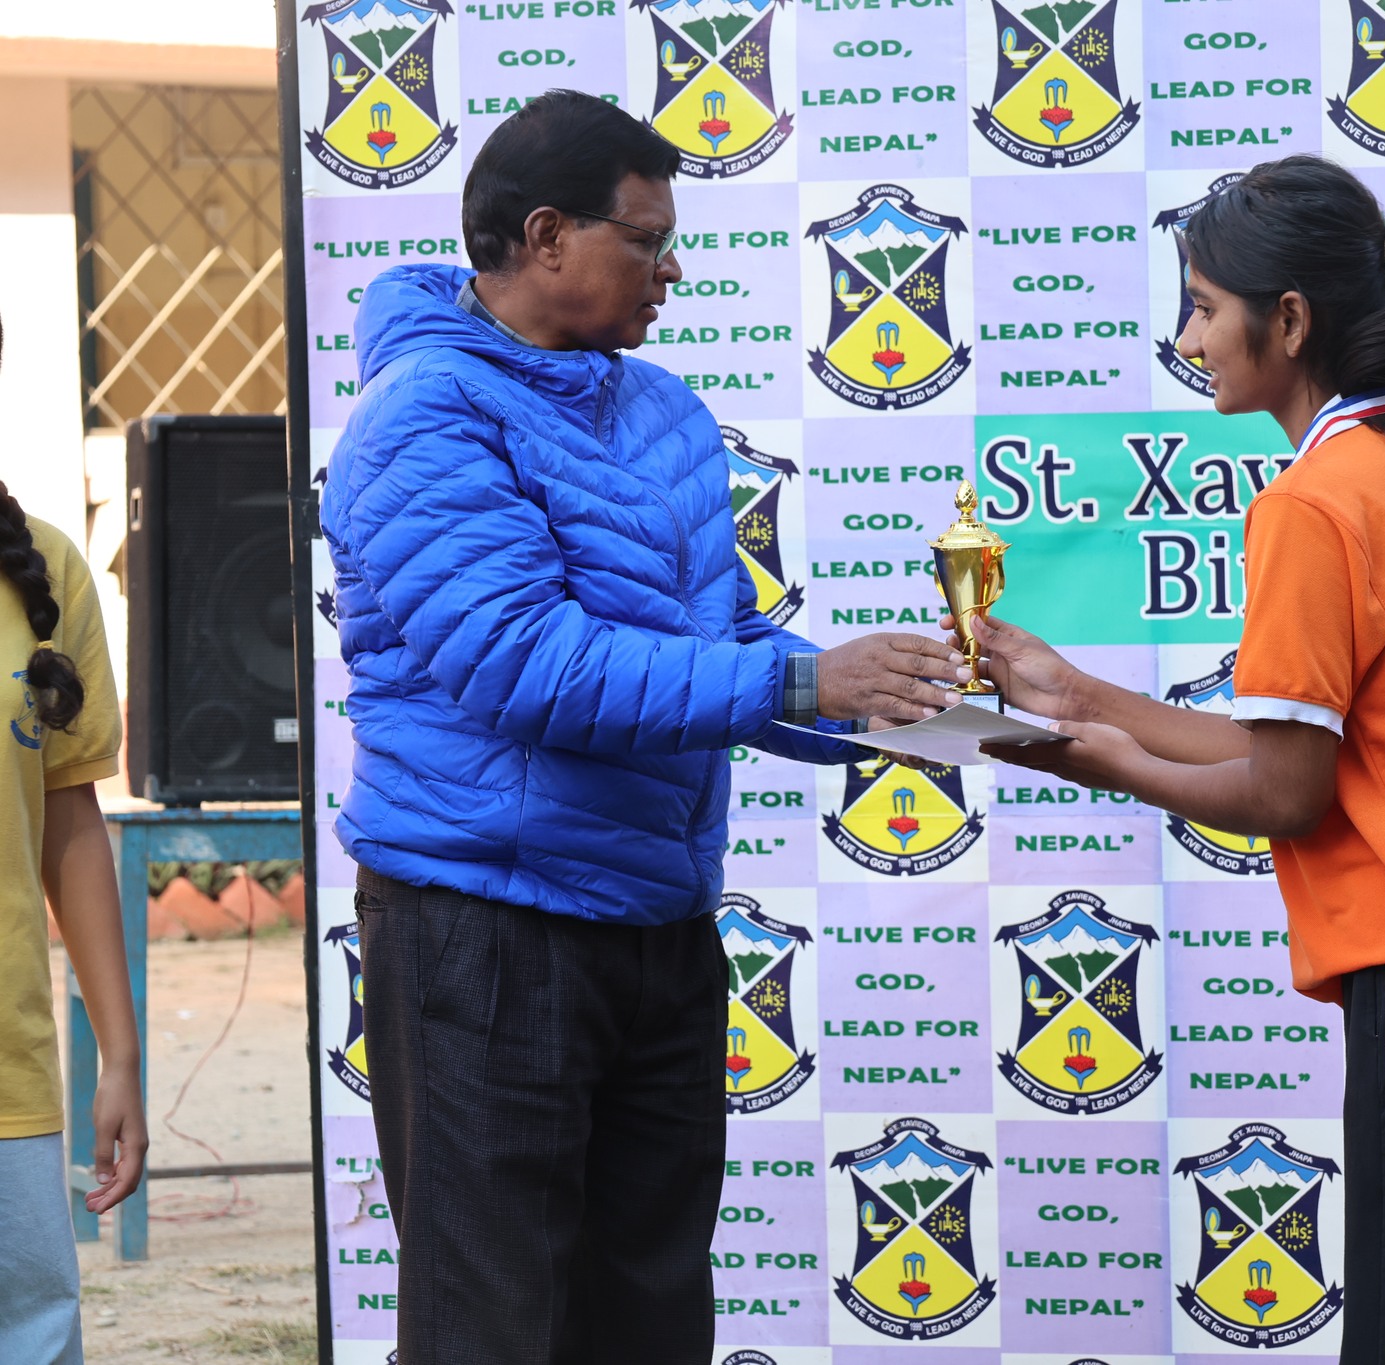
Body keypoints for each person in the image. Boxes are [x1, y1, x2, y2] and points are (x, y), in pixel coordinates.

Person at [320, 91, 969, 1364]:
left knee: (650, 1321)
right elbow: (528, 667)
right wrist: (806, 687)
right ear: (546, 237)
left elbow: (719, 644)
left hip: (657, 930)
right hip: (485, 927)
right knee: (492, 1331)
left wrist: (916, 703)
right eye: (647, 242)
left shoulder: (661, 409)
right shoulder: (422, 415)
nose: (672, 272)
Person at [976, 155, 1385, 1365]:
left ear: (1286, 322)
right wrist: (1079, 696)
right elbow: (1311, 748)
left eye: (1202, 308)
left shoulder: (1313, 501)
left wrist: (1093, 760)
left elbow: (1284, 790)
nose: (1188, 340)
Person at [0, 463, 146, 1364]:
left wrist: (121, 1054)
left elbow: (69, 818)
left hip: (7, 1075)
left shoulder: (46, 571)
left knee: (32, 1338)